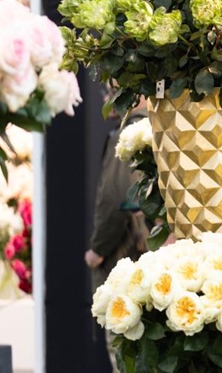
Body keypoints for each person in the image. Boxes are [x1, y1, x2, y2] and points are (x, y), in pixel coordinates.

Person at [85, 93, 149, 372]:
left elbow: (114, 198)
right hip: (154, 262)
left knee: (124, 352)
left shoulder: (128, 136)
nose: (106, 98)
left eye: (112, 89)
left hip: (126, 257)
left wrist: (98, 250)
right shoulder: (165, 128)